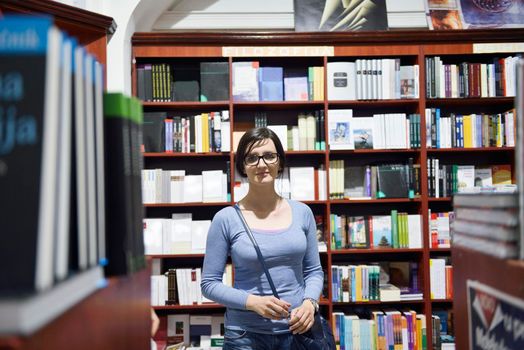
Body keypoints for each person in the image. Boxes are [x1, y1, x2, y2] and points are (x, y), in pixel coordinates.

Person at [201, 127, 324, 350]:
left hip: (297, 330)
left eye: (269, 156)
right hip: (245, 335)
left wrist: (310, 303)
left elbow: (313, 271)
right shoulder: (225, 219)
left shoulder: (302, 213)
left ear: (280, 163)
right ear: (242, 167)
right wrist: (252, 302)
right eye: (252, 158)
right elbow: (209, 284)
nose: (261, 164)